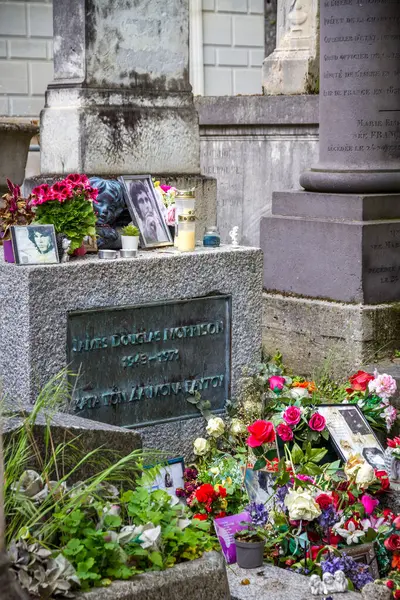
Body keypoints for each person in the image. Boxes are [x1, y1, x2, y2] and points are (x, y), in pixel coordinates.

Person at [128, 180, 168, 244]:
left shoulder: (161, 222)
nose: (147, 206)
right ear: (137, 208)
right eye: (141, 201)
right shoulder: (139, 229)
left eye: (146, 200)